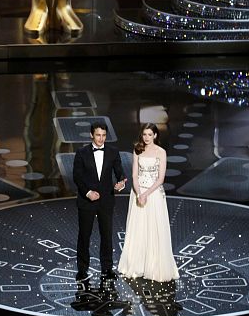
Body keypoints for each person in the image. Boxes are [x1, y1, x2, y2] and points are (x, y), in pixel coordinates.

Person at [118, 123, 179, 283]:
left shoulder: (161, 152)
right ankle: (137, 265)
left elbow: (161, 179)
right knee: (138, 229)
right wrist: (139, 194)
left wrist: (145, 194)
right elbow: (135, 176)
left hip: (154, 195)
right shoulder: (137, 150)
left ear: (155, 136)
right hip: (138, 194)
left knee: (154, 229)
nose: (146, 138)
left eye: (149, 135)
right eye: (144, 135)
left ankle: (153, 266)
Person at [72, 121, 126, 281]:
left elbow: (119, 172)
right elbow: (77, 177)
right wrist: (88, 193)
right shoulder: (81, 153)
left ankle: (107, 269)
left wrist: (121, 182)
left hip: (106, 200)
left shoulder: (113, 152)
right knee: (84, 235)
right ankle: (82, 269)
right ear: (91, 135)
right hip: (86, 200)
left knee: (107, 235)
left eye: (103, 135)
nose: (101, 139)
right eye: (98, 135)